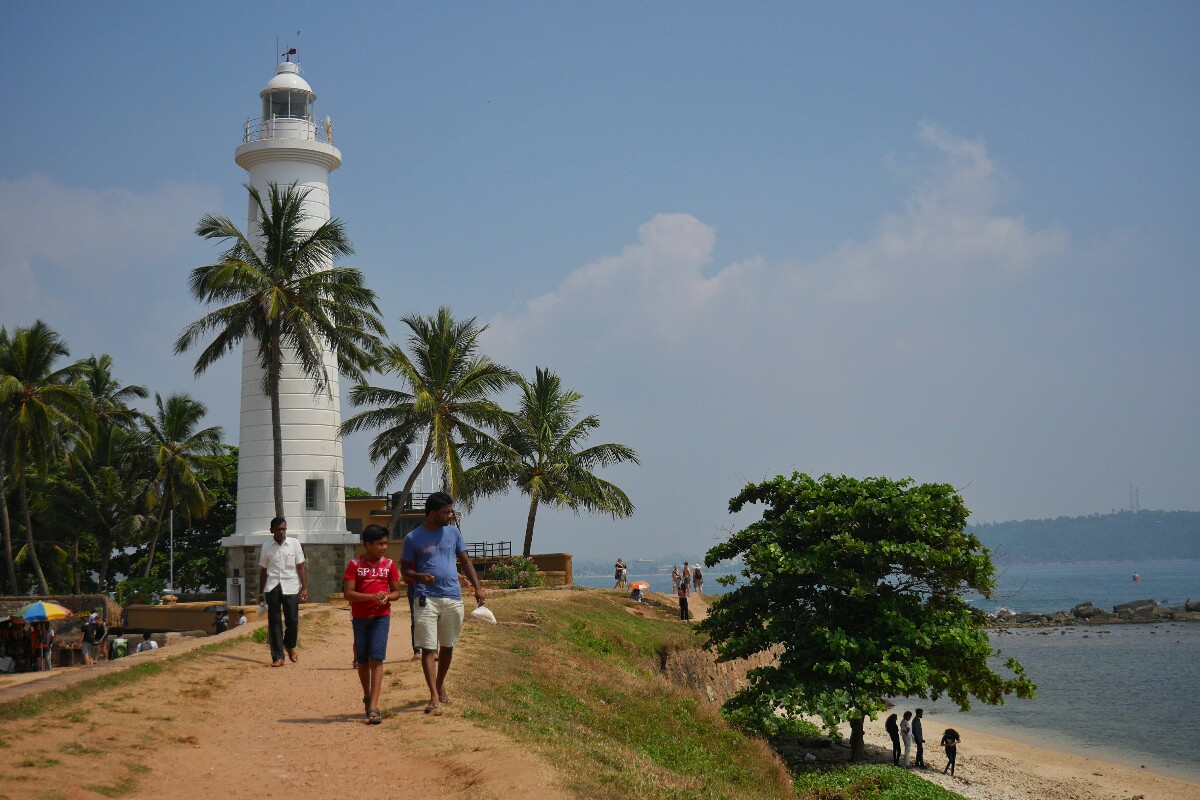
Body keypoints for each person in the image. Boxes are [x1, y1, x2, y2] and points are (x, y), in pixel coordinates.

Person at [401, 492, 486, 716]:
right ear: (432, 513)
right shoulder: (413, 538)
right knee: (429, 647)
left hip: (452, 596)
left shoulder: (453, 533)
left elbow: (465, 561)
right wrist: (419, 576)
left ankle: (440, 683)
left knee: (448, 645)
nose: (450, 516)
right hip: (425, 597)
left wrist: (478, 588)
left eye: (450, 511)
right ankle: (433, 694)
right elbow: (405, 570)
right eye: (446, 512)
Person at [343, 524, 402, 725]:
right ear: (368, 544)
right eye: (380, 544)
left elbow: (396, 592)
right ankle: (367, 695)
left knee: (376, 659)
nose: (384, 547)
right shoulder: (354, 565)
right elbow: (348, 593)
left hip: (381, 617)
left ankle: (374, 706)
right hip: (360, 617)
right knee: (363, 661)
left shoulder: (389, 565)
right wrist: (370, 596)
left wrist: (387, 597)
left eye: (385, 543)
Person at [257, 516, 308, 667]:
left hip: (291, 585)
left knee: (292, 620)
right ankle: (278, 657)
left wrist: (304, 587)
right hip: (273, 586)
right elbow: (264, 570)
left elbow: (300, 567)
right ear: (272, 530)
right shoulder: (266, 546)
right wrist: (261, 593)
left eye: (284, 529)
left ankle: (289, 645)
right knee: (274, 622)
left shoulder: (294, 544)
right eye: (278, 529)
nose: (282, 532)